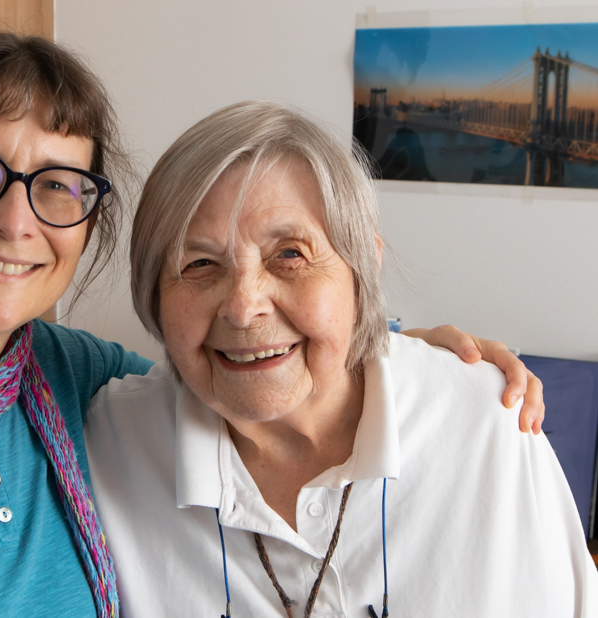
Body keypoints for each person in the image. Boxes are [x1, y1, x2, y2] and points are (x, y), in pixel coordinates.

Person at [0, 33, 543, 617]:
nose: (13, 219)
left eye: (57, 187)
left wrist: (383, 346)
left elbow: (243, 359)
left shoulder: (72, 384)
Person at [85, 100, 598, 617]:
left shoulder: (485, 421)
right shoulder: (107, 440)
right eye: (197, 264)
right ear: (153, 294)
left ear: (362, 270)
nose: (243, 309)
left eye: (290, 254)